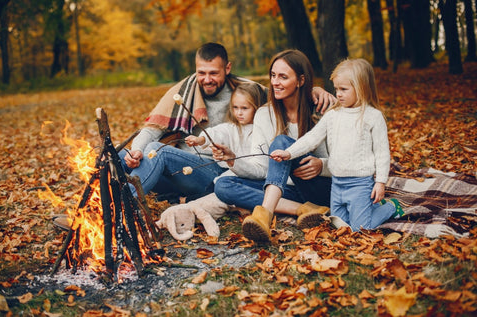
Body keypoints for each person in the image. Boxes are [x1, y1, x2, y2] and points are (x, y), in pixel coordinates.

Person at [122, 43, 335, 201]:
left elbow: (284, 94)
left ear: (227, 68)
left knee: (157, 150)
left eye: (214, 73)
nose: (207, 79)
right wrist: (136, 151)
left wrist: (313, 91)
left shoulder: (245, 90)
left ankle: (125, 204)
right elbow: (151, 130)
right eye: (201, 73)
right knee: (121, 155)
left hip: (216, 167)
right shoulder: (182, 91)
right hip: (182, 168)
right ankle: (108, 199)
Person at [213, 49, 337, 243]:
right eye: (273, 75)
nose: (275, 82)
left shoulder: (323, 107)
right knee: (223, 185)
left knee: (281, 142)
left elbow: (350, 160)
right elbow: (260, 168)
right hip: (288, 191)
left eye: (283, 77)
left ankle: (265, 215)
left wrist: (322, 165)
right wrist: (232, 159)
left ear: (301, 80)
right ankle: (304, 209)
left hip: (322, 186)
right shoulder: (264, 114)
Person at [271, 58, 403, 233]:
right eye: (336, 89)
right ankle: (366, 211)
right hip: (337, 183)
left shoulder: (372, 117)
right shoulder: (333, 114)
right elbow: (312, 138)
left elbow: (382, 153)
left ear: (361, 88)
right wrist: (289, 153)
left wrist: (380, 182)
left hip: (360, 184)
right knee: (339, 225)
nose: (338, 94)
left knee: (361, 228)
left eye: (343, 89)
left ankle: (391, 207)